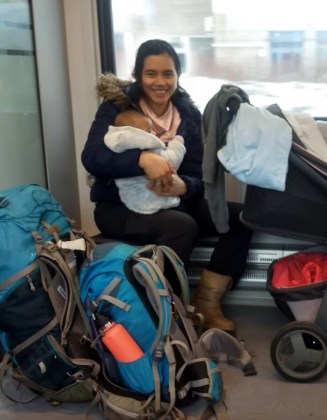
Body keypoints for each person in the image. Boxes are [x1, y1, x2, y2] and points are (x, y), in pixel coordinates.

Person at [82, 39, 253, 333]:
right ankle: (166, 313)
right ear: (138, 75)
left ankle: (207, 302)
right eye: (151, 74)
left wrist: (184, 186)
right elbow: (92, 157)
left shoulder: (188, 114)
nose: (160, 82)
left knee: (242, 218)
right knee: (182, 226)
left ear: (177, 75)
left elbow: (199, 173)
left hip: (175, 199)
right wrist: (142, 160)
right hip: (119, 206)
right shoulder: (116, 108)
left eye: (168, 74)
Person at [104, 108, 186, 215]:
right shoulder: (149, 146)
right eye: (149, 130)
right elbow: (171, 161)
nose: (154, 133)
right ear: (137, 134)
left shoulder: (118, 145)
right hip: (153, 198)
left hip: (130, 198)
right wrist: (177, 144)